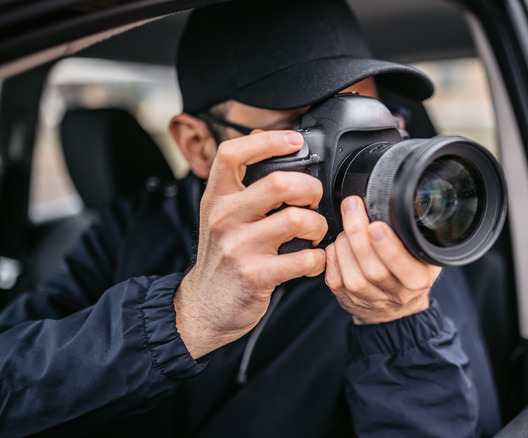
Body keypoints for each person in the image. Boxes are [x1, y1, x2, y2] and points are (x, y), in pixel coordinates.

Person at [0, 0, 501, 436]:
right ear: (197, 144)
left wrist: (396, 323)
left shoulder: (399, 261)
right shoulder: (131, 228)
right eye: (306, 127)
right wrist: (183, 318)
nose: (355, 146)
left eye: (373, 116)